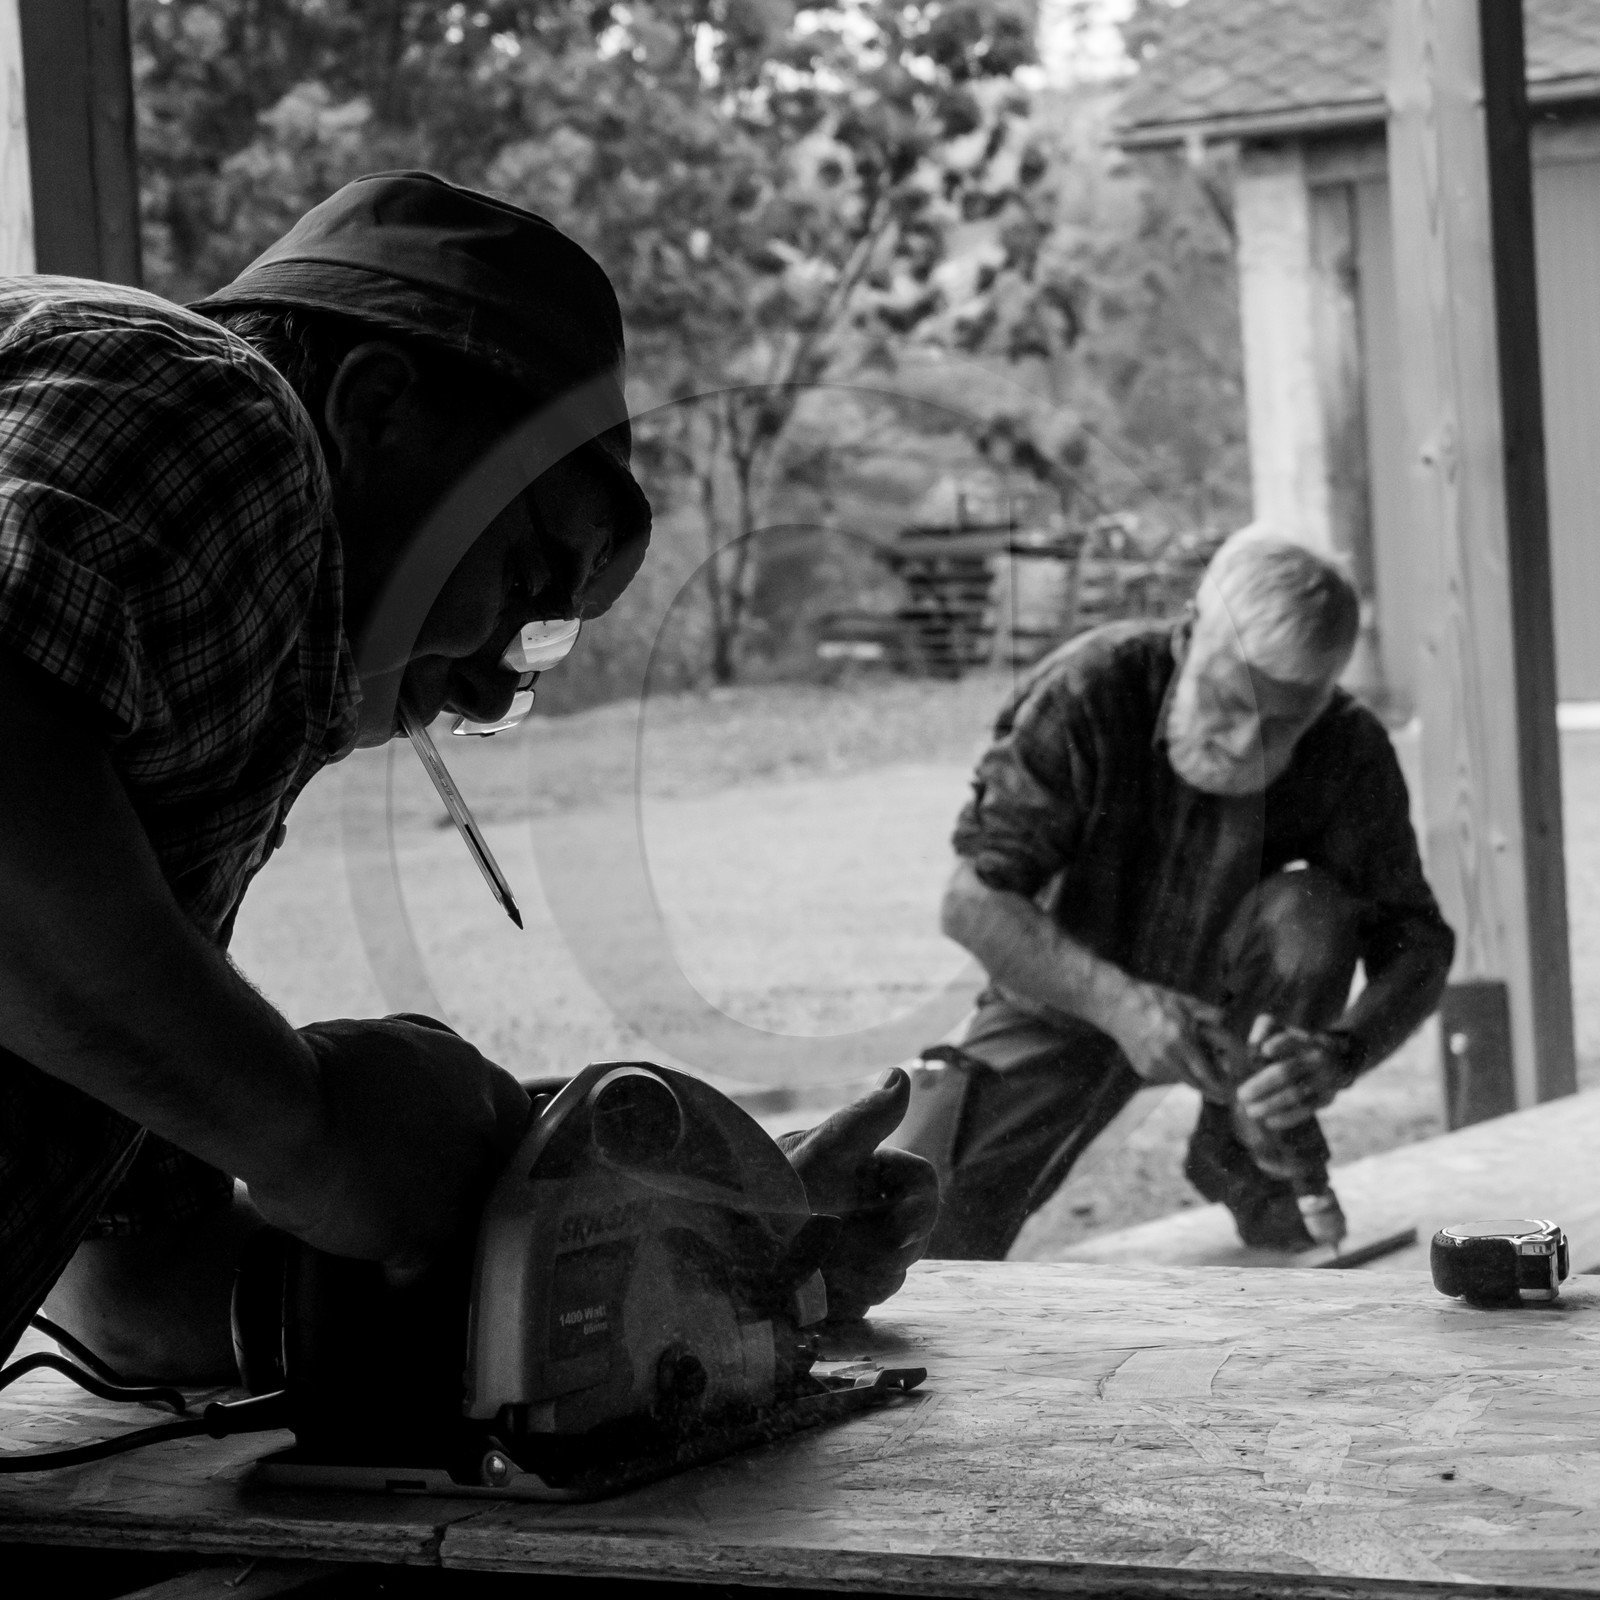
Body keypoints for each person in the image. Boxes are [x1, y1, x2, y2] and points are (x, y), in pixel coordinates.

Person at [0, 170, 936, 1378]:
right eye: (532, 578)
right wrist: (313, 1127)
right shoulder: (216, 408)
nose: (497, 689)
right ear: (381, 407)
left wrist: (702, 1274)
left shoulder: (167, 775)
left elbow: (136, 1294)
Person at [894, 528, 1455, 1258]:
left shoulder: (1347, 747)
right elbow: (972, 899)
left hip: (1238, 1018)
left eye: (1284, 720)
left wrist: (1338, 1054)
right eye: (1229, 698)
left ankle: (1244, 1149)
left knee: (1312, 911)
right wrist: (1122, 1006)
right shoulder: (1090, 689)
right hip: (1066, 993)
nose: (1244, 739)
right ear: (1189, 635)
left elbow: (1415, 937)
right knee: (931, 1239)